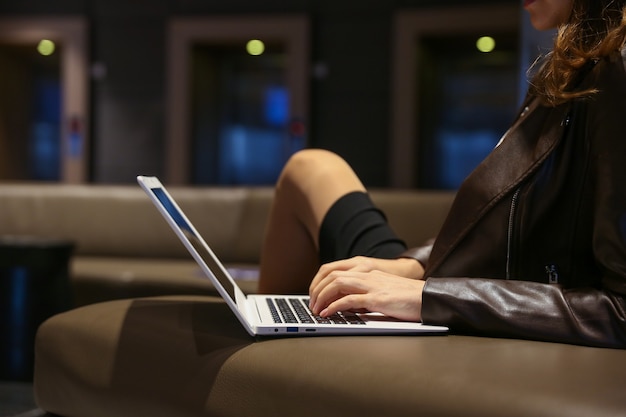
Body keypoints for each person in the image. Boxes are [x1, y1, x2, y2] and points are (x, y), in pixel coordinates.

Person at [258, 0, 626, 349]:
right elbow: (501, 233)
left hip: (457, 306)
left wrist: (427, 296)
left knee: (308, 170)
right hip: (447, 283)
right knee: (310, 167)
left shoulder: (616, 70)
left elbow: (619, 311)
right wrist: (413, 266)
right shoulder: (575, 67)